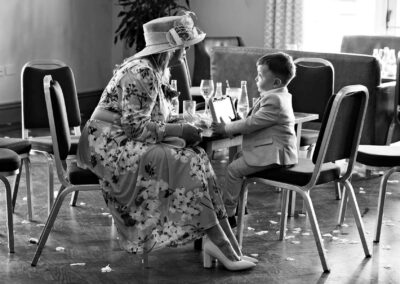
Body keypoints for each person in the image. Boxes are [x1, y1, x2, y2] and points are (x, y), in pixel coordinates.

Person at [77, 12, 256, 271]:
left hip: (120, 138)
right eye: (183, 47)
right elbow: (135, 128)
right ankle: (220, 244)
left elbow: (148, 119)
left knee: (197, 157)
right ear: (169, 48)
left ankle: (225, 244)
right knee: (188, 161)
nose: (185, 52)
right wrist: (181, 130)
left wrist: (180, 128)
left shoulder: (154, 70)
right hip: (108, 146)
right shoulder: (142, 72)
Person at [212, 52, 298, 227]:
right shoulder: (280, 94)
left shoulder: (274, 99)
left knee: (233, 170)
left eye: (260, 75)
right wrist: (238, 122)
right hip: (277, 151)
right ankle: (239, 207)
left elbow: (252, 123)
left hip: (276, 155)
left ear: (276, 82)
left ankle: (227, 215)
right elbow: (256, 120)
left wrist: (226, 128)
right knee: (238, 159)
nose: (255, 78)